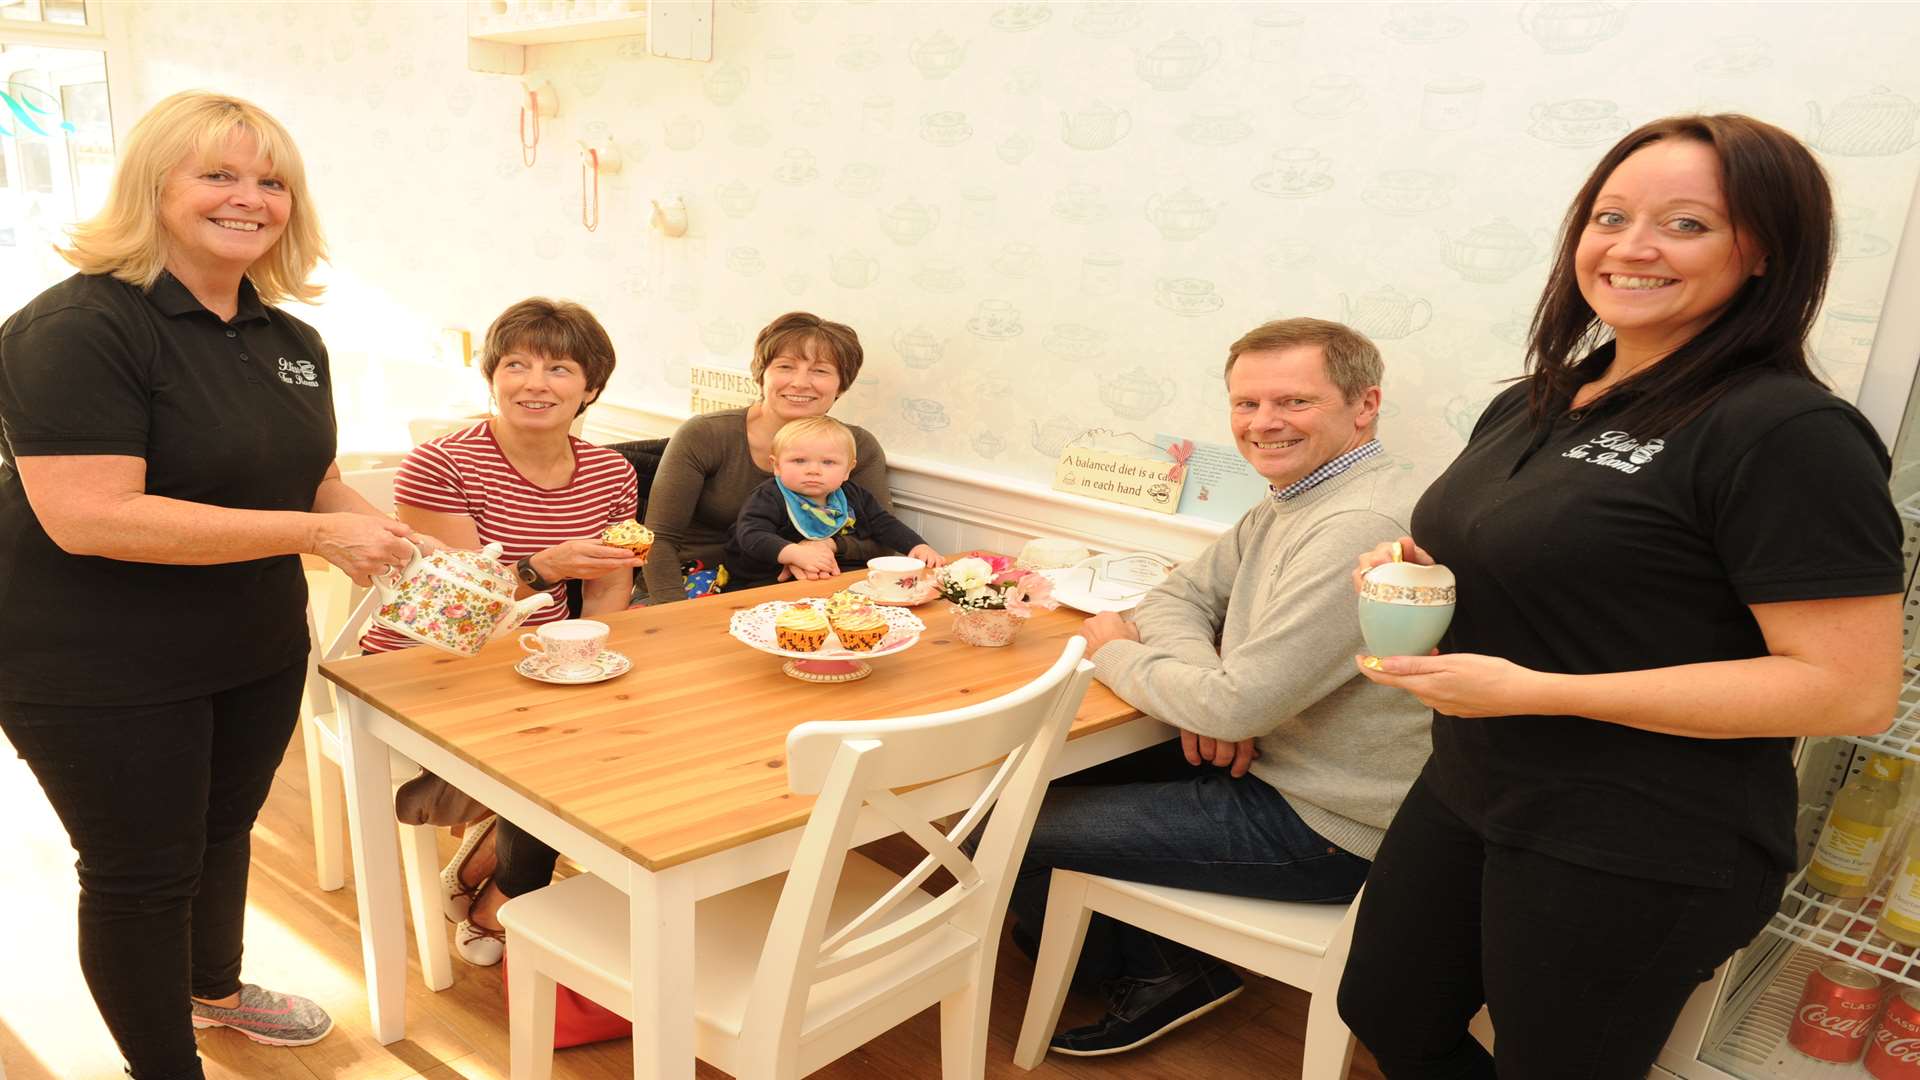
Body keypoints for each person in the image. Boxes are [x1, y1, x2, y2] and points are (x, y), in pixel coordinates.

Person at [1337, 115, 1904, 1078]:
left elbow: (1851, 691)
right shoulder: (1538, 398)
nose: (1632, 247)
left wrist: (1547, 691)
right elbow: (1567, 564)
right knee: (1386, 1009)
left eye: (1686, 224)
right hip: (1476, 784)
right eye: (1610, 215)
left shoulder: (1788, 432)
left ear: (1762, 249)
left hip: (1640, 837)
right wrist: (1419, 568)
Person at [0, 91, 424, 1077]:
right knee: (141, 875)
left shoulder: (290, 341)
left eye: (271, 181)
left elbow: (307, 481)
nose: (250, 198)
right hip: (95, 664)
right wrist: (319, 532)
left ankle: (215, 991)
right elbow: (93, 513)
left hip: (250, 643)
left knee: (222, 829)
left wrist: (396, 544)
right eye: (219, 175)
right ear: (155, 186)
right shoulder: (76, 328)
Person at [1009, 318, 1432, 1056]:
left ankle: (1163, 973)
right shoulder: (1298, 494)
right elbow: (1177, 599)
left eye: (1293, 402)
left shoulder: (1356, 519)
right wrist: (1211, 691)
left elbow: (1213, 684)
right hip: (1273, 763)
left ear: (1364, 405)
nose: (1263, 424)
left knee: (1001, 827)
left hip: (1325, 823)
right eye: (1246, 404)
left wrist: (1114, 651)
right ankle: (1136, 953)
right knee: (1033, 778)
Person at [363, 297, 643, 966]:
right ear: (491, 376)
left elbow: (608, 586)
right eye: (515, 364)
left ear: (591, 388)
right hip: (426, 659)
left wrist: (593, 659)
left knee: (626, 724)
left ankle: (484, 867)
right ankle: (508, 897)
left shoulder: (611, 472)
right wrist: (543, 568)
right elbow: (450, 605)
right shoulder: (442, 463)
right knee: (557, 749)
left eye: (558, 368)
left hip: (537, 658)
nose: (533, 383)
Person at [642, 312, 894, 603]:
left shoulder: (858, 446)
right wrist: (674, 615)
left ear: (841, 385)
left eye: (820, 371)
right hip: (700, 584)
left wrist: (829, 546)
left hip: (808, 591)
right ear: (761, 374)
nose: (800, 383)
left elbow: (883, 542)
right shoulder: (705, 434)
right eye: (785, 367)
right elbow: (658, 540)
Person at [727, 416, 942, 588]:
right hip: (764, 578)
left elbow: (883, 523)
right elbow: (751, 535)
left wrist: (917, 545)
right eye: (799, 460)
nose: (813, 470)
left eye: (828, 462)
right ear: (777, 466)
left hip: (831, 574)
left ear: (848, 469)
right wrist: (795, 554)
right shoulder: (768, 496)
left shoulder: (852, 494)